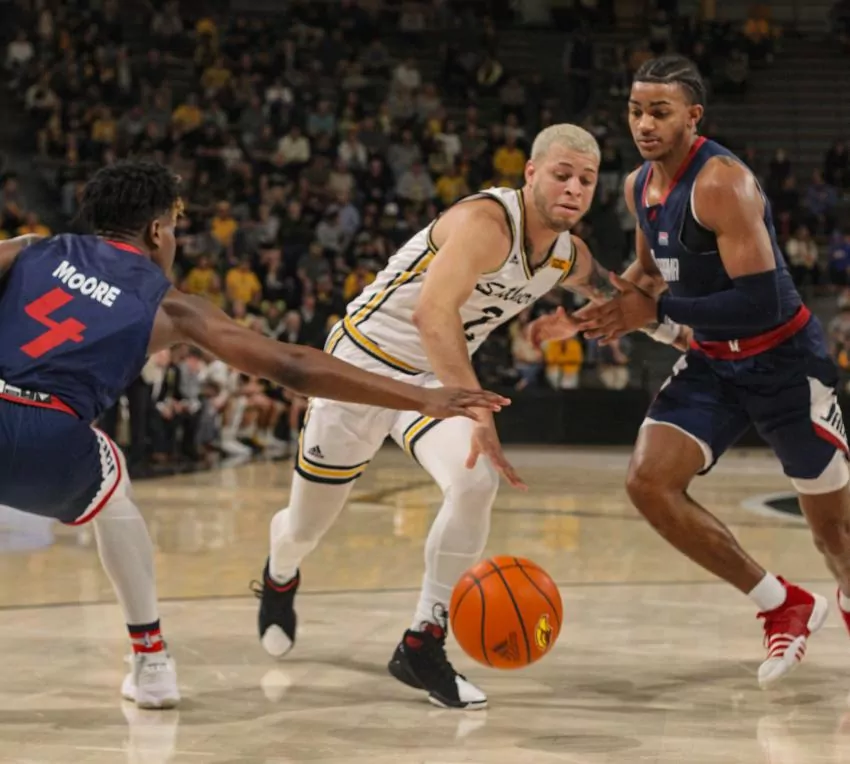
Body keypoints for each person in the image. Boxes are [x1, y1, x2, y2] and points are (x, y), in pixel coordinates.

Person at [0, 161, 507, 710]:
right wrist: (420, 397)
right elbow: (292, 366)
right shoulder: (170, 305)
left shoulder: (30, 250)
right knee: (114, 492)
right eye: (175, 227)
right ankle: (151, 663)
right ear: (156, 231)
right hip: (50, 438)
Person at [255, 123, 682, 710]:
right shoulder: (486, 223)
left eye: (586, 180)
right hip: (361, 368)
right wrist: (479, 408)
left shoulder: (567, 256)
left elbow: (617, 297)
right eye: (561, 174)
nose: (574, 189)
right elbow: (432, 315)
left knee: (476, 480)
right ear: (530, 173)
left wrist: (668, 333)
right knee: (305, 529)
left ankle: (422, 642)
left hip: (433, 380)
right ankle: (279, 574)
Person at [575, 55, 850, 689]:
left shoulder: (723, 183)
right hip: (714, 364)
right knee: (648, 482)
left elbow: (761, 303)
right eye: (635, 111)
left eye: (659, 111)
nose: (644, 124)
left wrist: (657, 312)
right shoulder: (638, 186)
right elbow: (649, 275)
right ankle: (782, 603)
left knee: (836, 537)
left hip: (784, 362)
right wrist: (595, 311)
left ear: (693, 116)